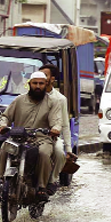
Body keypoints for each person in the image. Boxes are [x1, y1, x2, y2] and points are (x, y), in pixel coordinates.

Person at [0, 71, 62, 201]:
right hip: (18, 137)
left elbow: (56, 120)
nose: (38, 86)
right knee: (4, 148)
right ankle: (2, 183)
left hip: (42, 138)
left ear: (46, 84)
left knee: (44, 153)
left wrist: (55, 128)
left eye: (41, 84)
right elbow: (6, 116)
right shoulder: (19, 100)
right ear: (29, 84)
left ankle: (42, 187)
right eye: (35, 83)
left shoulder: (53, 102)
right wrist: (3, 125)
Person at [41, 63, 72, 195]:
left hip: (51, 136)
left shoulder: (60, 99)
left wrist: (69, 149)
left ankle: (52, 181)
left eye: (45, 75)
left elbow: (65, 124)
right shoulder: (31, 95)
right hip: (31, 134)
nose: (41, 79)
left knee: (59, 152)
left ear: (52, 79)